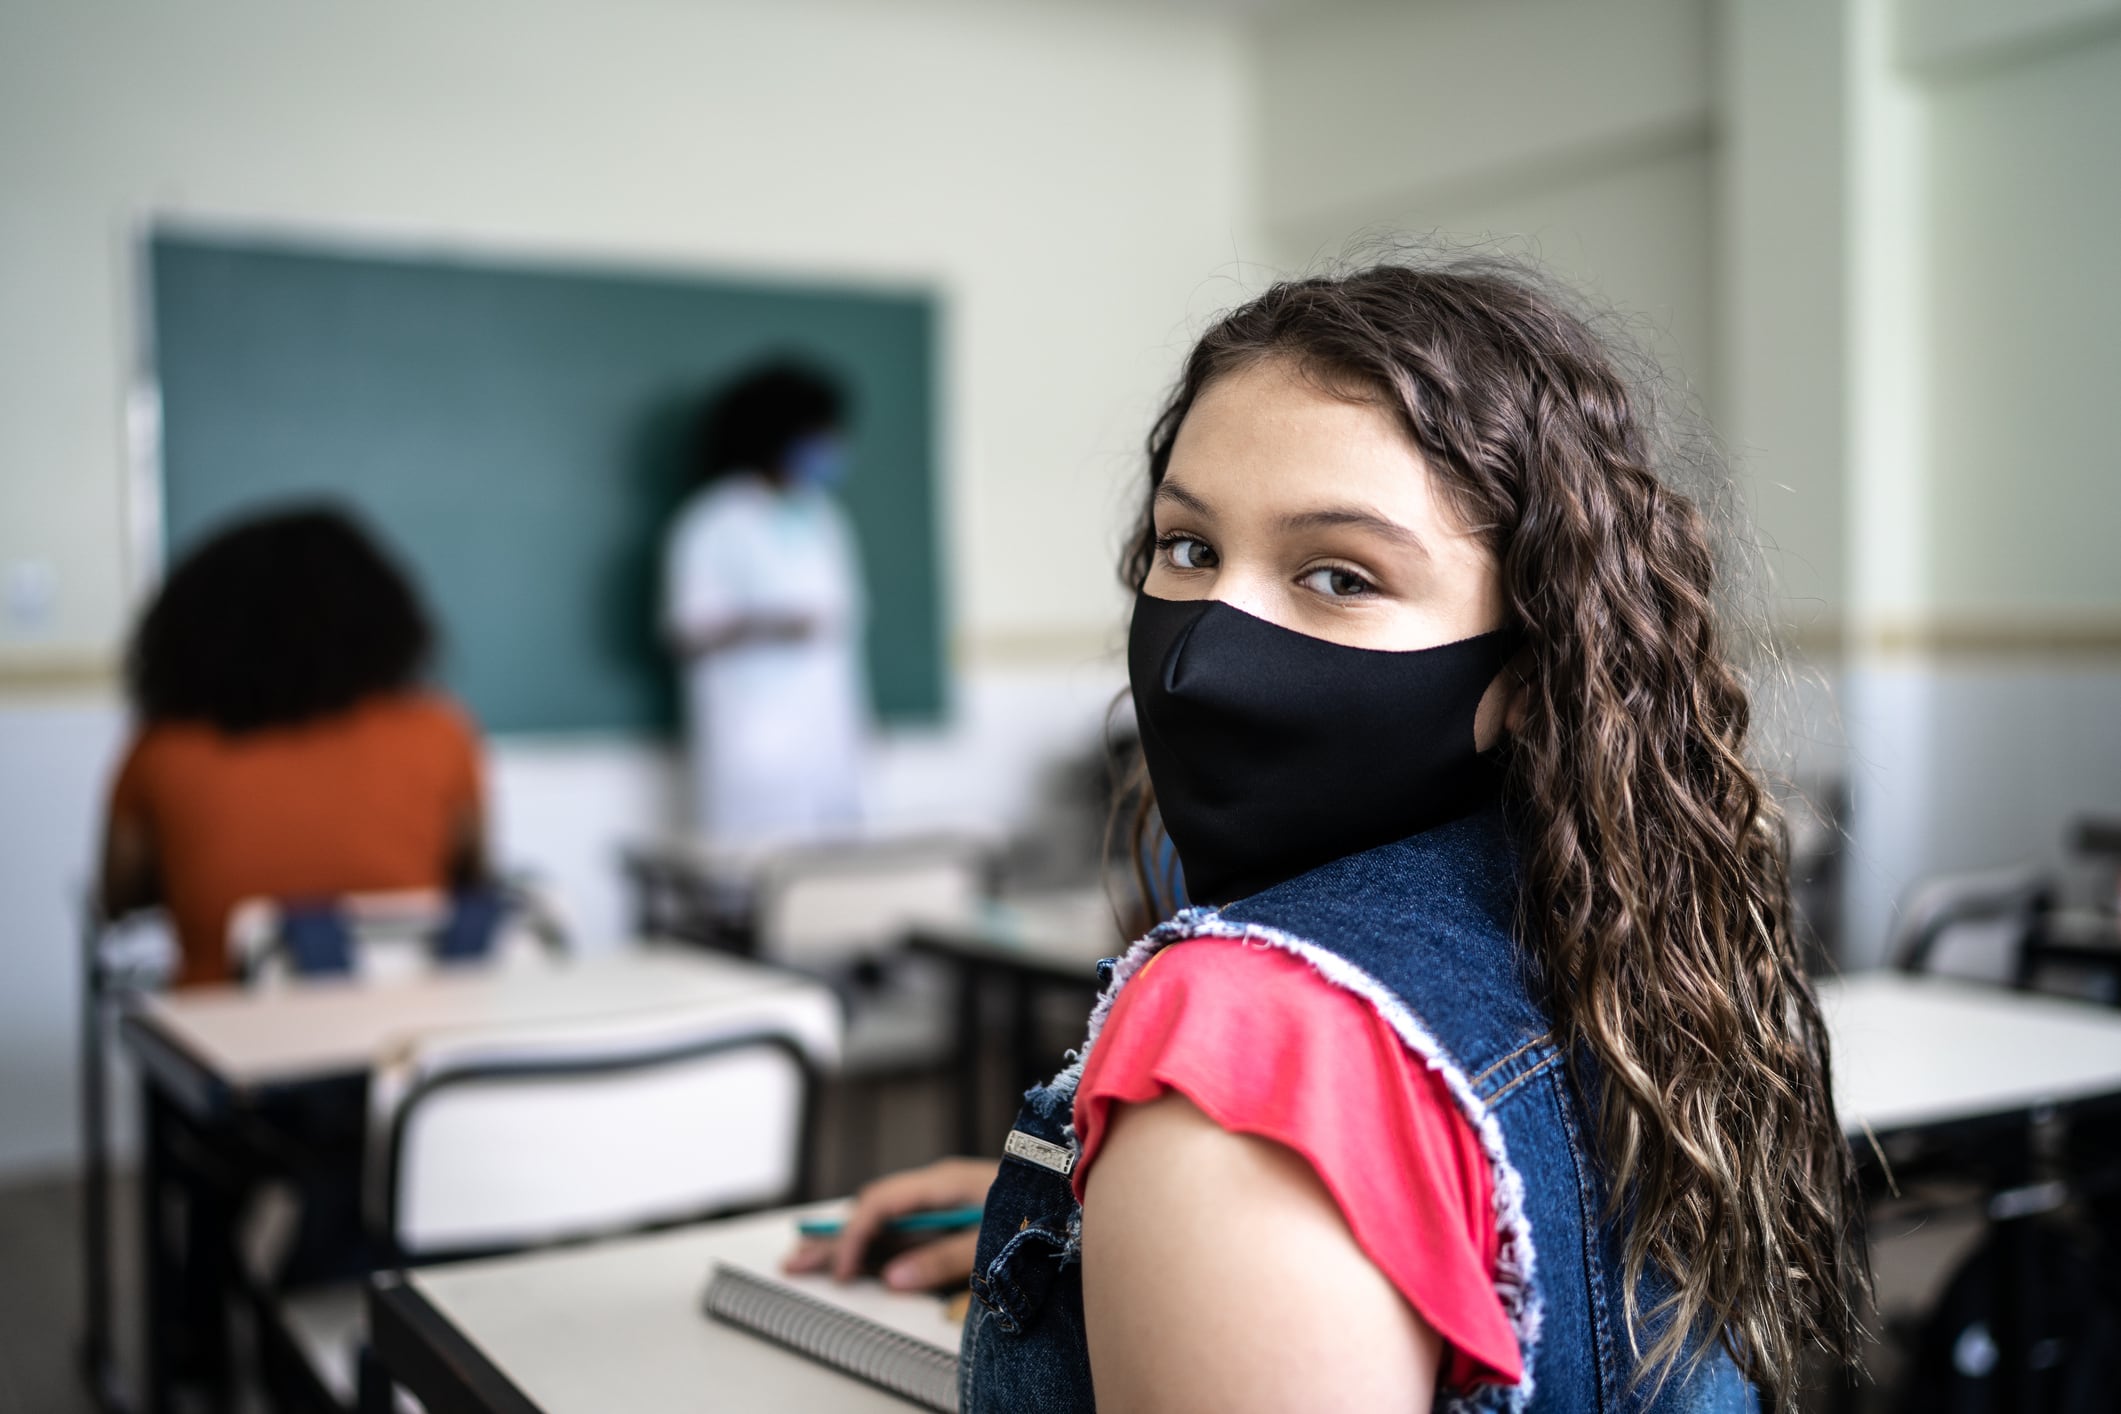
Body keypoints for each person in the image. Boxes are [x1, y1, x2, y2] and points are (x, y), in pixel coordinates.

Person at [789, 262, 1868, 1412]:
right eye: (1189, 548)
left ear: (1524, 668)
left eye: (1339, 576)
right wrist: (1142, 1229)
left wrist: (1204, 1179)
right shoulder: (1614, 924)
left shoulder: (1234, 1037)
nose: (1202, 662)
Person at [102, 504, 486, 986]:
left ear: (197, 631)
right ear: (382, 621)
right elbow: (473, 881)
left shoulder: (164, 750)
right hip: (404, 1041)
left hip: (220, 1044)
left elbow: (118, 896)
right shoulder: (441, 734)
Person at [663, 362, 868, 840]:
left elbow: (840, 631)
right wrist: (771, 626)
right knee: (757, 882)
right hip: (753, 744)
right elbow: (687, 631)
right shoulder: (713, 523)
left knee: (843, 883)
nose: (831, 445)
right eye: (820, 432)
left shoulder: (824, 518)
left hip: (831, 737)